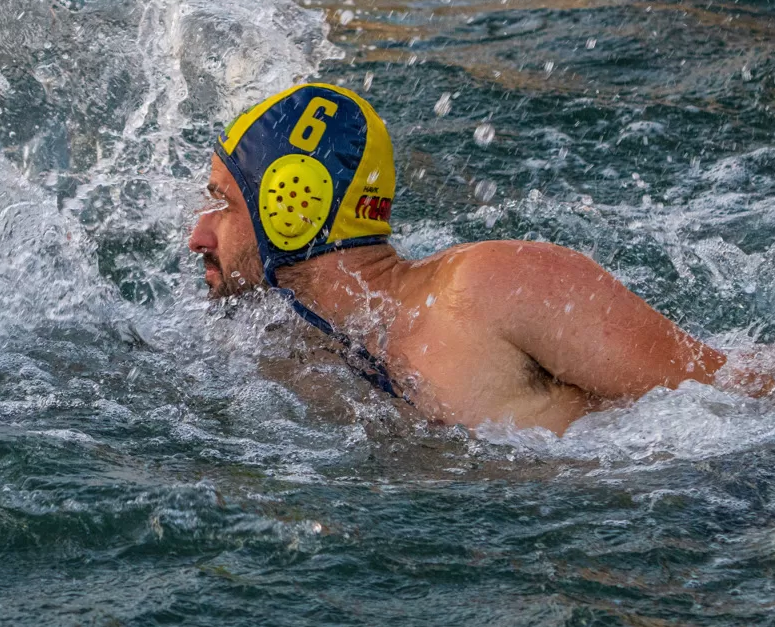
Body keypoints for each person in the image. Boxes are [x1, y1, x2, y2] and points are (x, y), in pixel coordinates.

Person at [187, 81, 726, 435]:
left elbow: (738, 398)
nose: (197, 235)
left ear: (292, 205)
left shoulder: (490, 286)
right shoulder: (284, 350)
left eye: (223, 203)